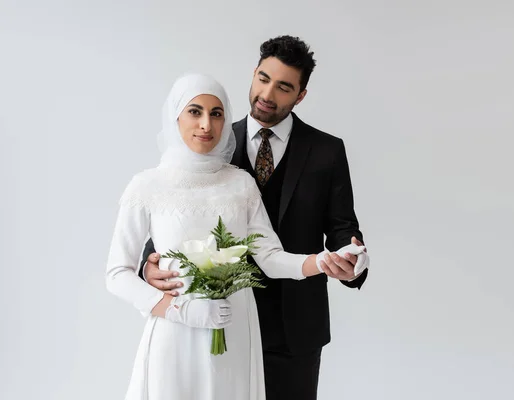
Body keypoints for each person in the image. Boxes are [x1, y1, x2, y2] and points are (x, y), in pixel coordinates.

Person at [105, 73, 364, 400]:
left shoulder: (240, 183)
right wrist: (178, 310)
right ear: (175, 116)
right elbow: (116, 273)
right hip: (176, 332)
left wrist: (321, 261)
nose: (206, 125)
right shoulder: (147, 185)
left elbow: (269, 258)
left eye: (216, 114)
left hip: (236, 329)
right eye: (194, 111)